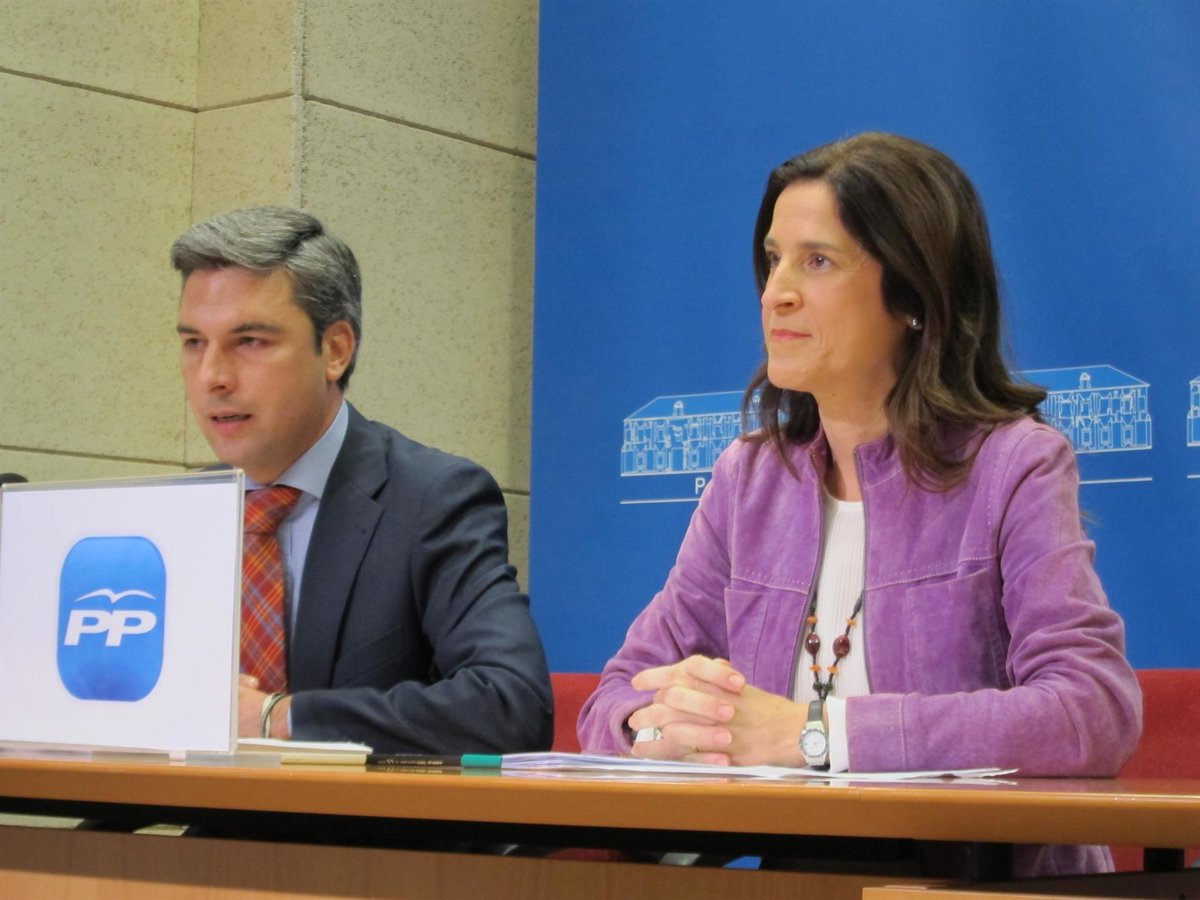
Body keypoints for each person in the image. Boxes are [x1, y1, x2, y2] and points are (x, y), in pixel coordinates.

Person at [577, 133, 1141, 877]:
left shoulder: (1013, 464)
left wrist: (812, 734)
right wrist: (665, 729)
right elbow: (610, 703)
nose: (776, 292)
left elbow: (1090, 711)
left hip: (982, 883)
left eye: (818, 262)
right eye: (774, 259)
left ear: (913, 295)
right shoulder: (750, 480)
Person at [172, 205, 552, 754]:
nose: (212, 377)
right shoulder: (177, 513)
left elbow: (510, 705)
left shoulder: (431, 500)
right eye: (193, 343)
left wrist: (278, 718)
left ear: (335, 350)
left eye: (249, 341)